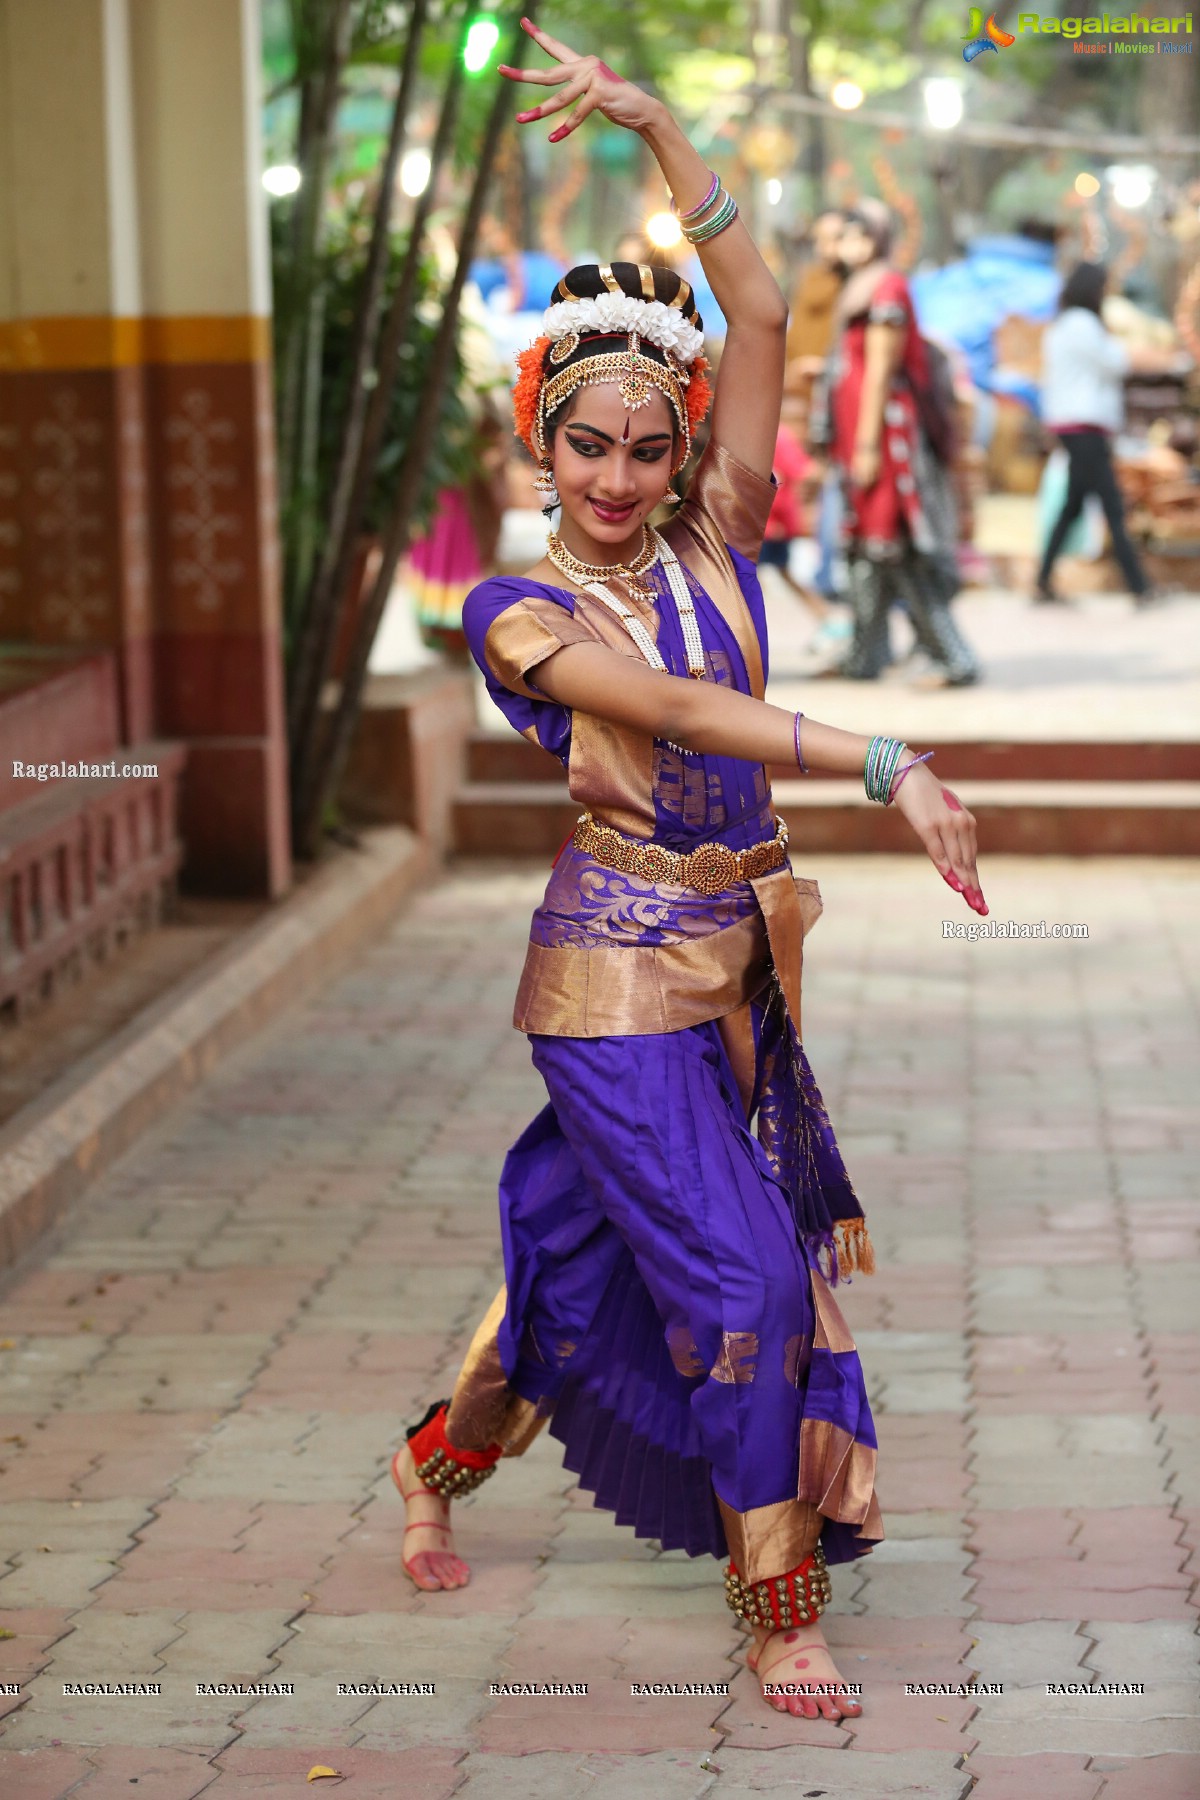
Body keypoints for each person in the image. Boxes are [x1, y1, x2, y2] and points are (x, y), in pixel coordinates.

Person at [387, 20, 987, 1726]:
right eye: (591, 447)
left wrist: (659, 128)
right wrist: (883, 761)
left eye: (651, 447)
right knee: (737, 1281)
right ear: (541, 443)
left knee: (583, 1257)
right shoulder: (512, 609)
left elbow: (774, 312)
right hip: (610, 981)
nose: (622, 477)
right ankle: (778, 1613)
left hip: (736, 964)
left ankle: (438, 1464)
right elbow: (654, 703)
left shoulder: (709, 529)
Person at [818, 201, 979, 685]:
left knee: (896, 548)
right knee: (867, 549)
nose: (839, 246)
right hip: (863, 441)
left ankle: (955, 658)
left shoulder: (886, 288)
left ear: (870, 239)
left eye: (848, 235)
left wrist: (867, 445)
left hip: (887, 443)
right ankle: (866, 655)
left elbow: (882, 371)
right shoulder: (859, 289)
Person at [1035, 260, 1183, 607]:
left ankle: (1043, 580)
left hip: (1074, 424)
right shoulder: (1083, 326)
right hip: (1084, 425)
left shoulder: (1061, 326)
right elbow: (1115, 361)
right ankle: (1140, 587)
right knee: (1113, 507)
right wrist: (1163, 358)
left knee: (1073, 507)